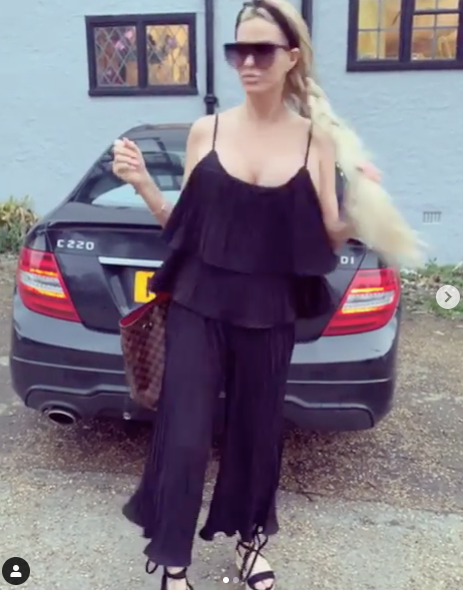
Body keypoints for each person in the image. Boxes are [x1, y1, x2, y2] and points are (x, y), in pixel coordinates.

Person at [112, 1, 388, 589]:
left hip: (270, 309)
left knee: (257, 432)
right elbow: (185, 227)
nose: (248, 62)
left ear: (291, 58)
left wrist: (363, 210)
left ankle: (249, 542)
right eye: (239, 50)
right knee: (185, 434)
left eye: (262, 50)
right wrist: (144, 186)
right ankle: (172, 559)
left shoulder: (316, 141)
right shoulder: (206, 131)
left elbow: (330, 233)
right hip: (197, 304)